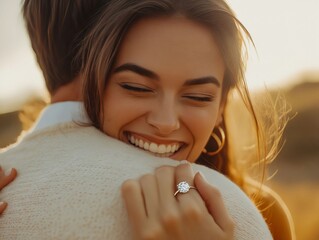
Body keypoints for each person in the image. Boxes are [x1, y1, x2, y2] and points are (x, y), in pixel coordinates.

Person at [0, 0, 293, 239]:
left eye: (199, 96)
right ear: (92, 79)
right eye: (137, 88)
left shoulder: (258, 211)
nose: (165, 122)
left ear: (221, 106)